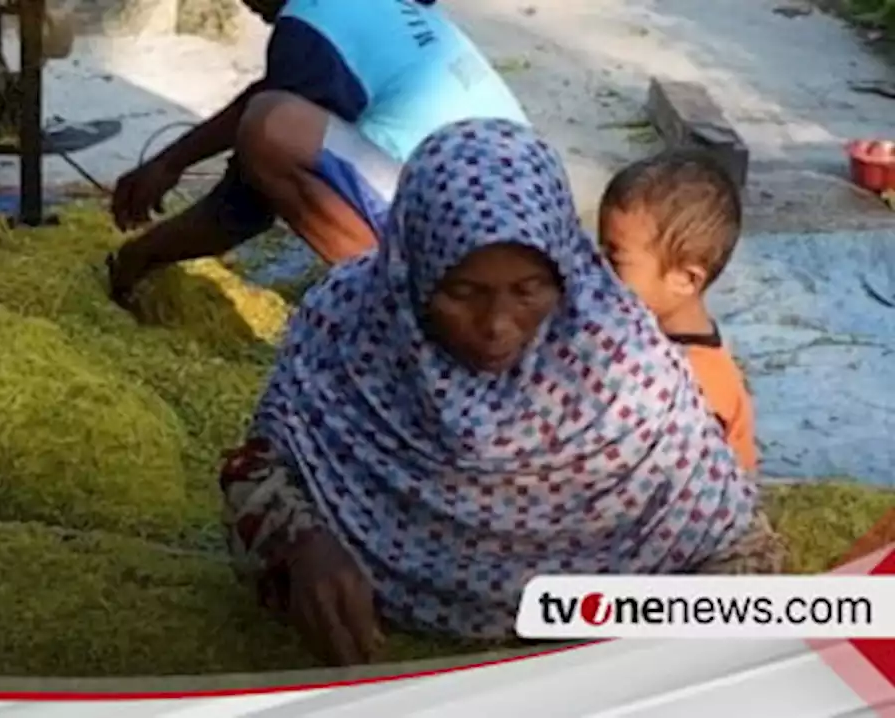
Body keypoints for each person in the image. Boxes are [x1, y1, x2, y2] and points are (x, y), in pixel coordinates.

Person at [218, 119, 786, 667]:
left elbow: (740, 544)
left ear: (564, 270)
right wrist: (298, 542)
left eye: (528, 290)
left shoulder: (620, 353)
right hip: (376, 624)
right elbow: (259, 464)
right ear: (410, 269)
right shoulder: (350, 320)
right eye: (462, 292)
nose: (497, 326)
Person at [106, 0, 529, 306]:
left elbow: (239, 211)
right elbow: (275, 93)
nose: (244, 4)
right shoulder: (346, 11)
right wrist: (171, 161)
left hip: (471, 245)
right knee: (272, 117)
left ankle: (403, 313)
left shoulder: (310, 26)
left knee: (270, 133)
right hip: (520, 216)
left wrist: (136, 259)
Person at [597, 151, 757, 472]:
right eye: (598, 249)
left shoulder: (698, 390)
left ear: (684, 279)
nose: (596, 270)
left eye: (614, 260)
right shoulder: (642, 335)